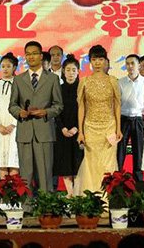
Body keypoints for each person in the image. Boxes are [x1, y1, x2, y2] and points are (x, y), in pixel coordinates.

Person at [9, 41, 63, 192]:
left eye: (34, 53)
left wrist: (45, 112)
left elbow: (58, 105)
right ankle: (26, 203)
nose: (31, 57)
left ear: (41, 56)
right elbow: (12, 105)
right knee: (25, 174)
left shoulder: (52, 79)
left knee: (45, 173)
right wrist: (19, 112)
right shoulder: (18, 79)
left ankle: (45, 202)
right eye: (28, 54)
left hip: (44, 131)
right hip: (25, 131)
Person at [76, 45, 121, 193]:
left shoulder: (112, 80)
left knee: (108, 163)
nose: (97, 63)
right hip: (90, 127)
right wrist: (80, 132)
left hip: (109, 127)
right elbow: (81, 107)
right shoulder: (84, 81)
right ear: (90, 61)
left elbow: (117, 105)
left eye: (100, 59)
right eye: (94, 59)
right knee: (91, 162)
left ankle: (107, 197)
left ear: (106, 61)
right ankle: (91, 196)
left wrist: (118, 129)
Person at [53, 54, 83, 196]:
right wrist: (63, 128)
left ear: (78, 72)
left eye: (74, 70)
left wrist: (77, 127)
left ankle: (77, 194)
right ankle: (70, 194)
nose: (71, 73)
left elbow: (85, 110)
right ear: (63, 72)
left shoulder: (82, 89)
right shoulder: (58, 89)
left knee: (78, 162)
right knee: (65, 163)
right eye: (68, 70)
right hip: (62, 131)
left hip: (79, 131)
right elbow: (56, 111)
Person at [0, 53, 20, 179]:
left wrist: (13, 124)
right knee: (2, 162)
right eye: (2, 66)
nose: (5, 69)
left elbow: (22, 106)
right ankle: (4, 190)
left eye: (8, 66)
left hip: (14, 126)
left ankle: (14, 190)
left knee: (14, 160)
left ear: (14, 68)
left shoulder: (20, 84)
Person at [117, 54, 144, 181]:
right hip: (123, 119)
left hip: (139, 120)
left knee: (139, 153)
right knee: (119, 153)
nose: (130, 66)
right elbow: (116, 103)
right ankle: (117, 181)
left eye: (133, 63)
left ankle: (138, 182)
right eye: (127, 63)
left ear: (139, 65)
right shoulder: (120, 82)